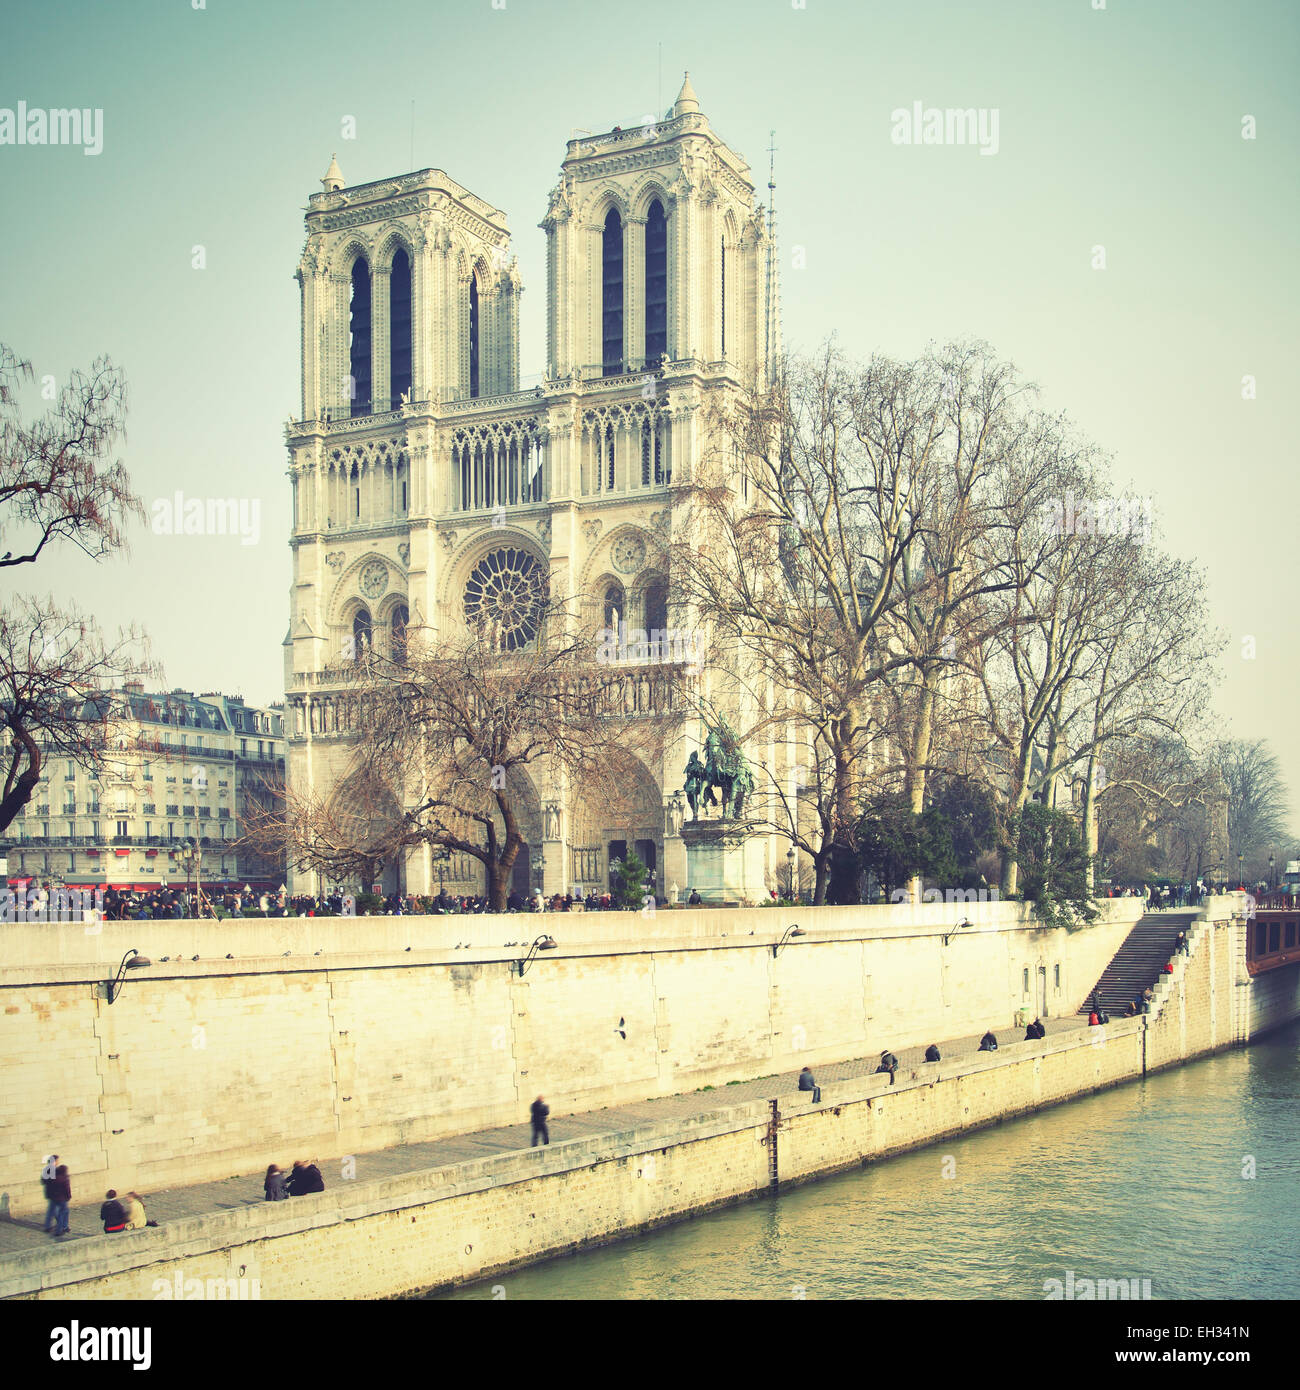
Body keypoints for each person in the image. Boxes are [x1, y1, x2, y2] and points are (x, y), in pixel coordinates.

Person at [48, 1164, 72, 1237]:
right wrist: (68, 1196)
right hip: (62, 1198)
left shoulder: (53, 1178)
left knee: (62, 1212)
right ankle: (60, 1229)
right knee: (63, 1213)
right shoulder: (65, 1179)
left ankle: (65, 1226)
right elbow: (67, 1189)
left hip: (55, 1198)